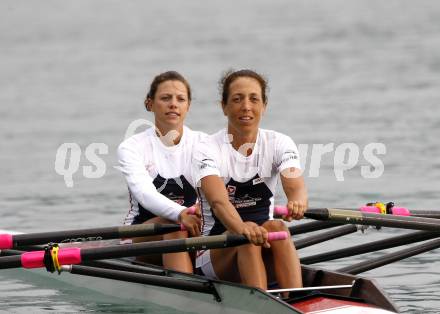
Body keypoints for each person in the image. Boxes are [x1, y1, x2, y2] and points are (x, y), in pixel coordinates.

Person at [194, 69, 308, 291]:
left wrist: (298, 200)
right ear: (224, 107)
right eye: (237, 99)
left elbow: (294, 184)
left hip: (264, 242)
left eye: (254, 99)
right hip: (215, 253)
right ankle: (262, 304)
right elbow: (219, 202)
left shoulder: (279, 142)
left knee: (278, 226)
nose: (246, 106)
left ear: (264, 106)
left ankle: (295, 298)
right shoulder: (205, 148)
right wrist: (241, 227)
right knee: (245, 237)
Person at [117, 71, 203, 273]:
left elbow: (218, 189)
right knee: (174, 227)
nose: (173, 104)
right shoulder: (132, 147)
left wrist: (201, 208)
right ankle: (186, 294)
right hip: (142, 237)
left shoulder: (204, 144)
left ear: (187, 106)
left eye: (180, 99)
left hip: (195, 229)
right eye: (165, 98)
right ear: (150, 104)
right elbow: (146, 195)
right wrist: (181, 214)